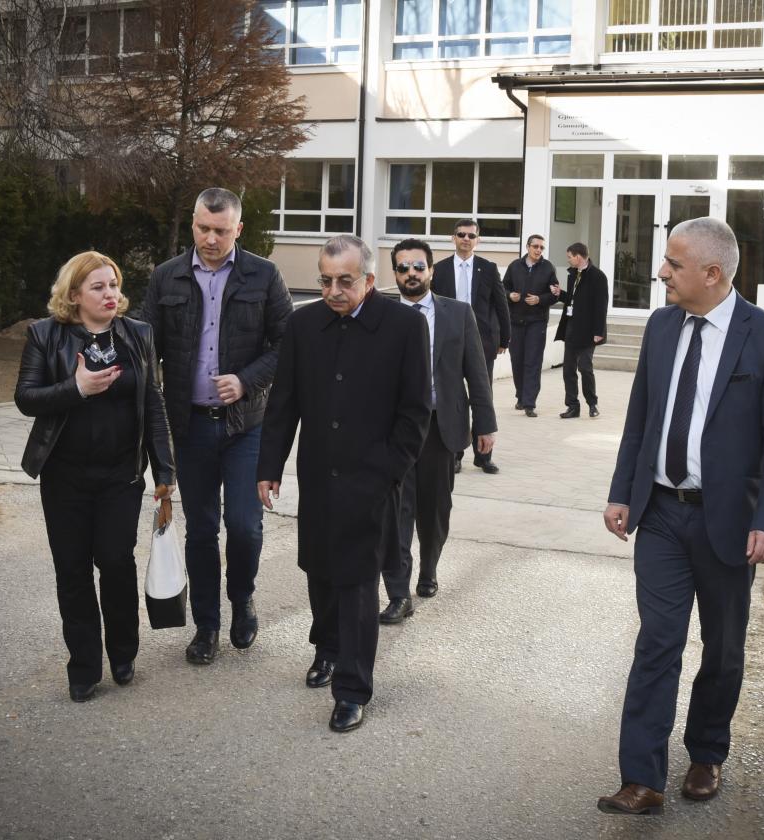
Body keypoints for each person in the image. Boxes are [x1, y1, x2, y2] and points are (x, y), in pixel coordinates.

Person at [598, 217, 764, 815]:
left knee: (722, 650)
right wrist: (622, 492)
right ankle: (642, 779)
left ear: (712, 273)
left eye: (674, 263)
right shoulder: (661, 326)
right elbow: (640, 417)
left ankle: (707, 751)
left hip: (730, 524)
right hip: (662, 514)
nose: (660, 272)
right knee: (657, 643)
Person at [257, 235, 430, 733]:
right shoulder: (303, 324)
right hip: (318, 474)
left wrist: (389, 471)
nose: (333, 290)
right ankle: (327, 648)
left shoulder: (404, 326)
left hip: (372, 479)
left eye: (345, 281)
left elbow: (416, 410)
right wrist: (269, 467)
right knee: (320, 570)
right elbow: (284, 403)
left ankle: (352, 689)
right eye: (325, 280)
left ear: (370, 280)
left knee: (356, 583)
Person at [137, 187, 292, 666]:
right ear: (193, 223)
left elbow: (287, 345)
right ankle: (206, 625)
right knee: (201, 530)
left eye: (221, 231)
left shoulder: (264, 275)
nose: (210, 238)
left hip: (247, 426)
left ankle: (242, 597)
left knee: (243, 526)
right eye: (203, 228)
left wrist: (245, 380)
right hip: (191, 427)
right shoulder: (166, 276)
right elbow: (144, 346)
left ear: (238, 229)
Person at [15, 250, 175, 703]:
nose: (111, 294)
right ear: (74, 295)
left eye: (114, 285)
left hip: (120, 476)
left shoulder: (138, 335)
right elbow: (26, 397)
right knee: (72, 571)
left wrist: (165, 469)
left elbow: (154, 403)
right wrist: (77, 388)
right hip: (64, 478)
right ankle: (84, 666)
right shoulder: (45, 335)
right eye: (99, 287)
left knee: (116, 563)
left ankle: (123, 652)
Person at [378, 238, 496, 624]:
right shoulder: (381, 315)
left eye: (418, 266)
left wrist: (485, 425)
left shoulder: (457, 314)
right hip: (394, 430)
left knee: (434, 510)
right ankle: (399, 593)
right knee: (395, 510)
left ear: (431, 270)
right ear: (394, 273)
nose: (411, 274)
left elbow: (476, 372)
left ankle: (428, 568)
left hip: (439, 426)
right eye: (403, 268)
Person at [431, 218, 510, 474]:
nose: (466, 239)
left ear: (478, 240)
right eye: (461, 234)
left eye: (471, 235)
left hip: (482, 343)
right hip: (448, 344)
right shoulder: (440, 269)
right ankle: (455, 453)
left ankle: (484, 456)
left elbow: (501, 304)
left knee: (483, 395)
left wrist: (504, 339)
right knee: (453, 397)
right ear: (453, 238)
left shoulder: (488, 268)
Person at [551, 242, 609, 419]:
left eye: (570, 257)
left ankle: (592, 404)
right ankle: (572, 406)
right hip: (572, 328)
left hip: (589, 331)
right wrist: (560, 293)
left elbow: (601, 305)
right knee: (568, 369)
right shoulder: (573, 274)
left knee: (585, 367)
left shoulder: (598, 276)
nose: (568, 260)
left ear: (578, 256)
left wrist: (598, 331)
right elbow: (572, 298)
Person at [502, 235, 557, 418]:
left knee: (533, 361)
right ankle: (521, 395)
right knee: (517, 360)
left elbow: (555, 294)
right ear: (527, 247)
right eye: (535, 246)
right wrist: (510, 296)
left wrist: (540, 299)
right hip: (516, 321)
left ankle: (529, 403)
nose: (539, 250)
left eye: (541, 247)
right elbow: (502, 288)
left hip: (537, 322)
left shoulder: (548, 268)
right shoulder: (514, 266)